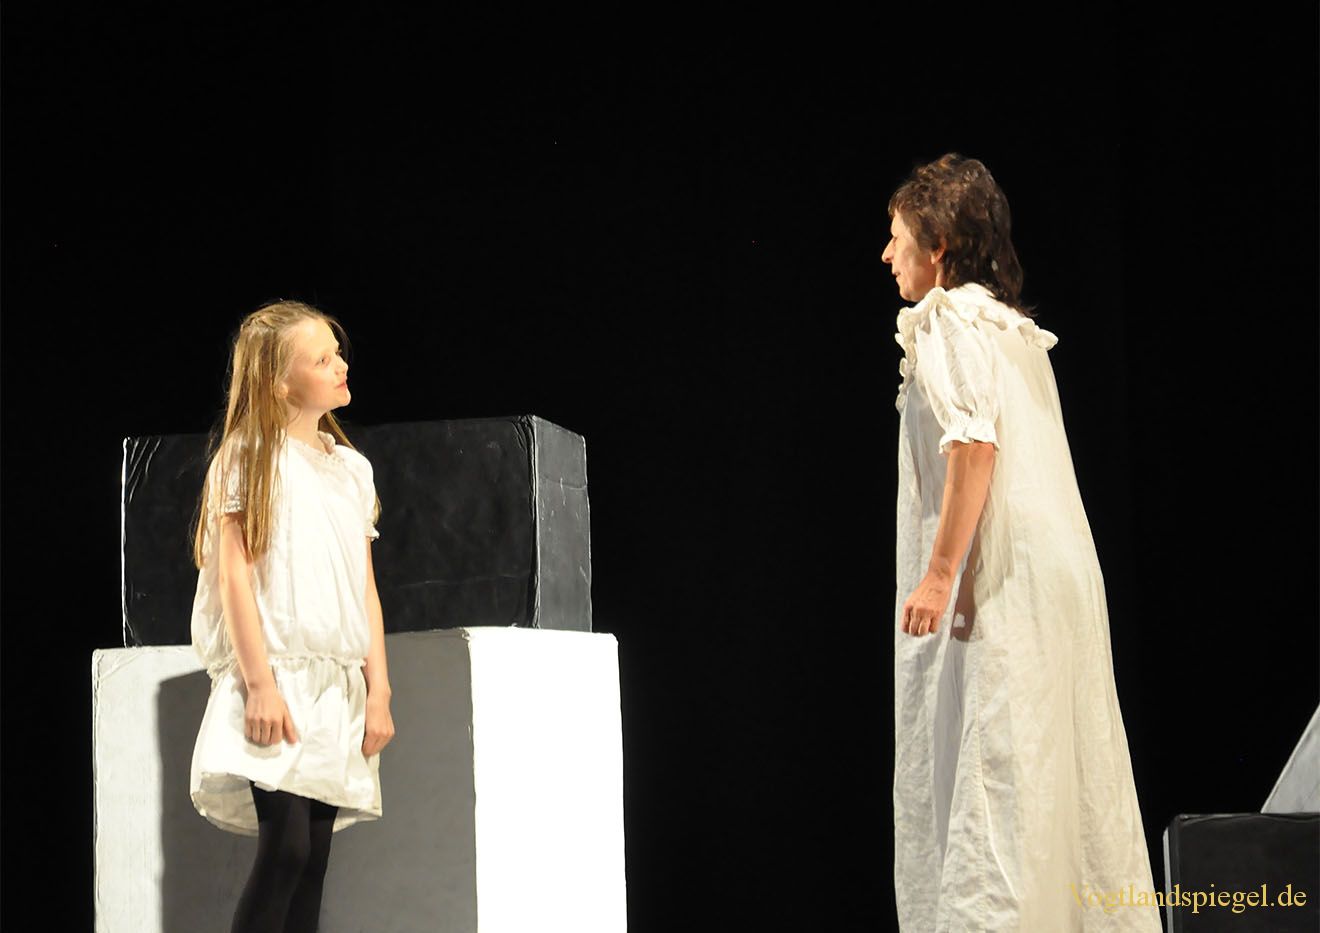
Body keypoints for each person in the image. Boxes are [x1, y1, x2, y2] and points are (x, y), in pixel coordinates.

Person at [882, 154, 1161, 931]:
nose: (887, 253)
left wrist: (940, 574)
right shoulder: (1013, 332)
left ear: (938, 244)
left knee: (995, 787)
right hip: (1056, 583)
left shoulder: (949, 319)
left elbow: (975, 445)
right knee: (1060, 784)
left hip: (1001, 580)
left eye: (897, 236)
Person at [188, 299, 395, 933]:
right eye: (322, 359)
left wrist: (379, 689)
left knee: (313, 860)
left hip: (337, 686)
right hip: (277, 675)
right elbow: (234, 577)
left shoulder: (350, 469)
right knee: (287, 849)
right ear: (280, 382)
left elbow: (363, 585)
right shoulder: (249, 456)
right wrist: (259, 684)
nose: (340, 366)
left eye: (338, 354)